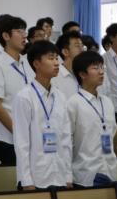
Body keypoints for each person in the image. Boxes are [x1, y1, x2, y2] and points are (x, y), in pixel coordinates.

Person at [12, 39, 72, 190]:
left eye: (57, 58)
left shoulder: (60, 97)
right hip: (36, 178)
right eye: (51, 58)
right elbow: (21, 143)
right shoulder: (24, 97)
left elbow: (65, 139)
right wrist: (26, 181)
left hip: (59, 177)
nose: (56, 63)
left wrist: (68, 176)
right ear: (36, 64)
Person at [67, 50, 117, 187]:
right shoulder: (73, 103)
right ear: (82, 74)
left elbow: (112, 132)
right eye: (95, 68)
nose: (101, 72)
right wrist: (67, 176)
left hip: (110, 170)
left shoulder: (107, 102)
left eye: (102, 67)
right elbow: (66, 142)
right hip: (86, 173)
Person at [0, 15, 30, 166]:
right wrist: (19, 132)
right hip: (8, 139)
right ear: (6, 36)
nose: (24, 35)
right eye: (19, 31)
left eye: (24, 31)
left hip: (30, 137)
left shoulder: (27, 64)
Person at [53, 30, 83, 99]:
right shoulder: (55, 77)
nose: (82, 49)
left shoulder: (85, 73)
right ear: (65, 52)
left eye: (82, 45)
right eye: (77, 46)